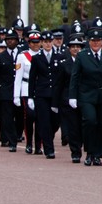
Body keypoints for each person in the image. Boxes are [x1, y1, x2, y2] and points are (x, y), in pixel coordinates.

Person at [70, 19, 102, 166]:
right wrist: (72, 96)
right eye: (93, 40)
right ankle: (89, 152)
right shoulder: (82, 56)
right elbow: (75, 76)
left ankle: (98, 154)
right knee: (90, 121)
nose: (96, 43)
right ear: (89, 41)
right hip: (86, 95)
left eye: (98, 40)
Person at [28, 31, 65, 159]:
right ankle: (49, 149)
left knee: (55, 122)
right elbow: (32, 79)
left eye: (50, 42)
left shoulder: (59, 57)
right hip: (41, 94)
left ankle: (48, 137)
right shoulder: (37, 58)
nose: (48, 44)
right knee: (44, 121)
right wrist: (30, 97)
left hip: (55, 95)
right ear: (42, 43)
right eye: (45, 42)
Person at [0, 29, 21, 152]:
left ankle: (18, 135)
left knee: (20, 117)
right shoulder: (1, 57)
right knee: (7, 118)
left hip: (20, 91)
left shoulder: (23, 54)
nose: (10, 41)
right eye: (8, 39)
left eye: (13, 39)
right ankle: (12, 141)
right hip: (5, 91)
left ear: (17, 41)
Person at [55, 26, 85, 162]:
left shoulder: (86, 62)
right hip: (67, 99)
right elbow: (58, 84)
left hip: (84, 98)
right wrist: (55, 102)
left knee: (84, 125)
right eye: (73, 46)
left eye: (78, 46)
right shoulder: (64, 64)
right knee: (72, 126)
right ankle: (75, 152)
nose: (76, 49)